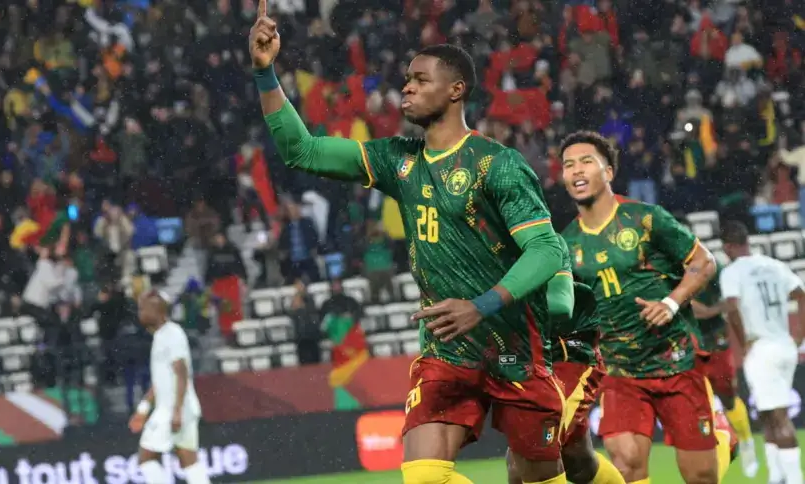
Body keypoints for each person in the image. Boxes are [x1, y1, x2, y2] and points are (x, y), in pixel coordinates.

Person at [250, 2, 569, 483]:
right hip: (446, 353)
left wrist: (481, 305)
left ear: (456, 90)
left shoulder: (496, 164)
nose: (407, 86)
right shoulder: (398, 161)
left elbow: (548, 250)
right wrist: (265, 73)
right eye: (407, 78)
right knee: (422, 477)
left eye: (421, 79)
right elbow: (302, 150)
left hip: (514, 351)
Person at [559, 131, 728, 484]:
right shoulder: (564, 244)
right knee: (627, 465)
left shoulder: (645, 219)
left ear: (608, 172)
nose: (576, 169)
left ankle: (724, 435)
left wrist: (671, 301)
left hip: (676, 360)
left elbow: (704, 261)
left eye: (586, 161)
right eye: (568, 164)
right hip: (620, 372)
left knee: (701, 476)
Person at [506, 235, 625, 484]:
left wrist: (490, 306)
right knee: (577, 461)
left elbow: (561, 307)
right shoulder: (477, 247)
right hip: (529, 361)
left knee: (524, 458)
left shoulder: (542, 240)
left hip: (570, 356)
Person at [718, 221, 804, 484]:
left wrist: (743, 342)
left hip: (761, 347)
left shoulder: (732, 272)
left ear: (729, 247)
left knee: (778, 416)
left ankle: (795, 478)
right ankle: (776, 475)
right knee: (767, 413)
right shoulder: (774, 265)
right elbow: (801, 295)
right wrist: (798, 337)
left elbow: (732, 308)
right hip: (784, 346)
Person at [127, 290, 210, 484]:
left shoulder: (171, 334)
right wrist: (143, 409)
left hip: (173, 409)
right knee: (188, 460)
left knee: (146, 459)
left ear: (159, 312)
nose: (140, 313)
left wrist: (177, 411)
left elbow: (181, 373)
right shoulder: (162, 336)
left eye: (144, 309)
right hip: (179, 407)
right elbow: (161, 382)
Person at [690, 264, 758, 476]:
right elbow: (688, 305)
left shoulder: (712, 267)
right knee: (699, 404)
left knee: (728, 396)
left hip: (717, 341)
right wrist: (715, 309)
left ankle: (746, 441)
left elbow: (732, 298)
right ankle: (716, 449)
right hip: (689, 342)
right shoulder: (666, 269)